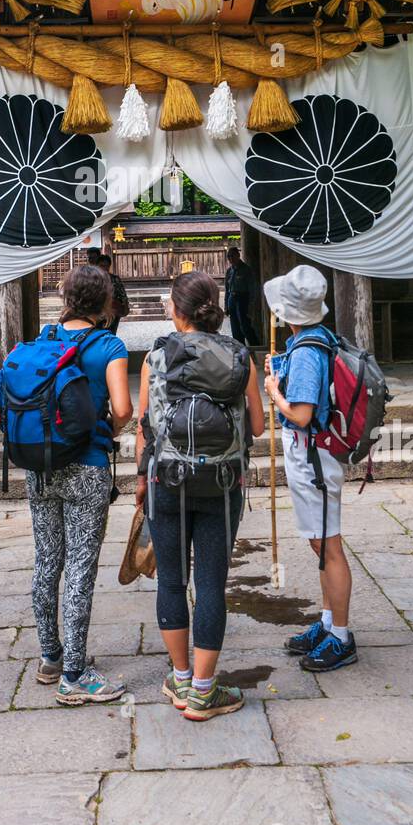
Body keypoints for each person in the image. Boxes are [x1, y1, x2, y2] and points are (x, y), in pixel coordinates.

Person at [135, 271, 266, 719]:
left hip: (164, 481)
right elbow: (259, 427)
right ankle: (206, 692)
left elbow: (145, 426)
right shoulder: (239, 356)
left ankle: (182, 677)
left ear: (176, 310)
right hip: (223, 481)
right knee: (212, 584)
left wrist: (140, 480)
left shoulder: (155, 357)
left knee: (172, 580)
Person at [28, 263, 134, 704]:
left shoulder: (42, 342)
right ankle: (75, 674)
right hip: (88, 467)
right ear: (105, 302)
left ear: (65, 297)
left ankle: (50, 657)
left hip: (40, 466)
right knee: (80, 567)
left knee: (47, 560)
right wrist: (108, 424)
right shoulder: (108, 345)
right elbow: (124, 409)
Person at [263, 264, 357, 672]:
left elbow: (300, 414)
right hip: (316, 455)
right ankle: (326, 621)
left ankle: (341, 635)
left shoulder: (305, 352)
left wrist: (272, 392)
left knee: (327, 546)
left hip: (312, 456)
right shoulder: (317, 340)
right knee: (321, 544)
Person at [223, 245, 260, 347]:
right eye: (229, 257)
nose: (231, 259)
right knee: (234, 326)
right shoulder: (229, 271)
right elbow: (227, 289)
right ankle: (240, 347)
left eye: (233, 256)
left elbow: (252, 288)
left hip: (243, 298)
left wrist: (251, 304)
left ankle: (255, 346)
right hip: (232, 298)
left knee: (244, 325)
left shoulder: (246, 269)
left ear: (238, 255)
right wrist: (226, 306)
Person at [98, 253, 130, 333]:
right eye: (102, 266)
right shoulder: (93, 279)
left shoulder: (114, 279)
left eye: (106, 266)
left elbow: (122, 294)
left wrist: (125, 307)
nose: (104, 268)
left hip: (113, 309)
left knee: (111, 332)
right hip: (98, 310)